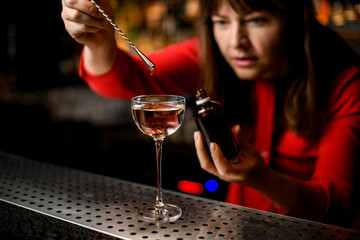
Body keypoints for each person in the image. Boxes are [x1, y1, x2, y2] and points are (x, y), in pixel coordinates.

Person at [61, 0, 360, 229]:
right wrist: (98, 40)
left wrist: (262, 179)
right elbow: (125, 81)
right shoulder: (211, 55)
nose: (235, 41)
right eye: (222, 22)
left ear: (295, 21)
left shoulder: (345, 83)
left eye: (256, 20)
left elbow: (337, 207)